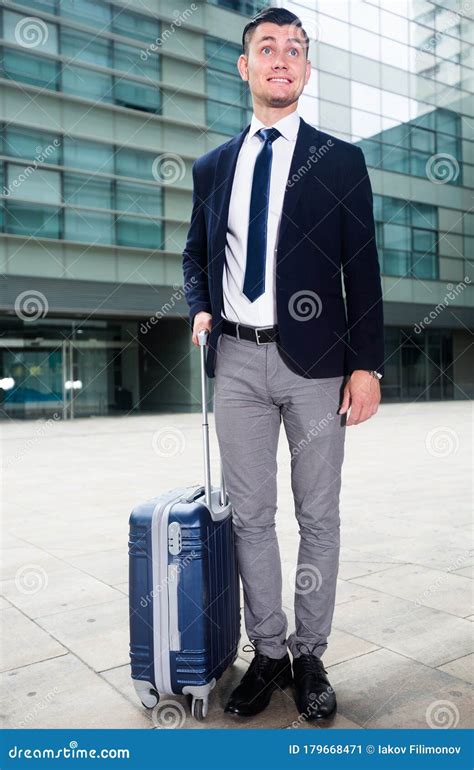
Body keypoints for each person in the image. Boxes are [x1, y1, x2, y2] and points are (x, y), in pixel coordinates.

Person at [182, 6, 384, 721]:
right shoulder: (214, 167)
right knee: (251, 517)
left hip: (318, 364)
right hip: (235, 359)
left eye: (295, 49)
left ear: (306, 69)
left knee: (319, 515)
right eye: (267, 47)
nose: (281, 58)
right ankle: (267, 652)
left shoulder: (340, 161)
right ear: (245, 66)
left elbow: (362, 269)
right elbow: (193, 256)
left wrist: (368, 366)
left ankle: (310, 652)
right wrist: (200, 303)